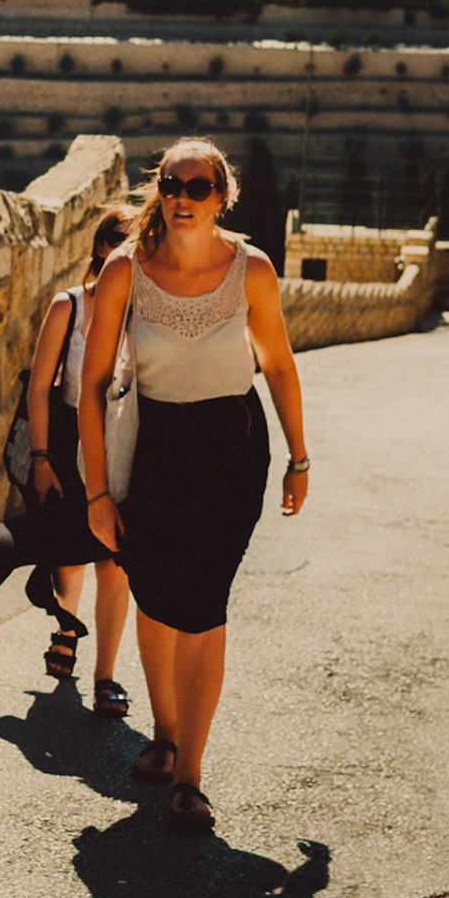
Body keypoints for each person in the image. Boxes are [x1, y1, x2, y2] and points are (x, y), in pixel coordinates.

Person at [78, 138, 309, 837]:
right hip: (155, 450)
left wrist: (300, 456)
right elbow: (91, 388)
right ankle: (165, 731)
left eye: (198, 186)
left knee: (204, 602)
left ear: (221, 197)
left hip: (231, 449)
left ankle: (190, 777)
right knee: (154, 590)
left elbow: (278, 366)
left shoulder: (253, 270)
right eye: (172, 182)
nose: (182, 195)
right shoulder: (126, 270)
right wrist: (95, 494)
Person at [0, 207, 135, 717]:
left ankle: (106, 676)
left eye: (139, 244)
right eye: (120, 241)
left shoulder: (146, 312)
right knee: (69, 550)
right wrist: (40, 460)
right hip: (64, 443)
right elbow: (39, 387)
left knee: (117, 561)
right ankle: (66, 626)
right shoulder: (71, 306)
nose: (128, 253)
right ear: (101, 248)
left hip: (122, 442)